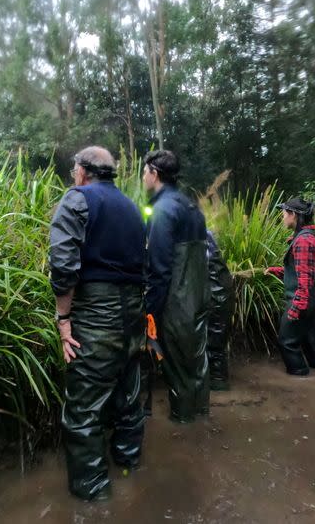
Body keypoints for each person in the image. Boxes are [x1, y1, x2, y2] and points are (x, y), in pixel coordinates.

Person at [49, 146, 146, 501]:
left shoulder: (78, 199)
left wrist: (64, 320)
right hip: (133, 311)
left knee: (84, 409)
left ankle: (94, 498)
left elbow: (63, 265)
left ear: (81, 171)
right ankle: (130, 466)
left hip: (96, 313)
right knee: (128, 395)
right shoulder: (132, 208)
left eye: (74, 168)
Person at [142, 150, 210, 423]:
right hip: (199, 299)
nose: (143, 178)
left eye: (145, 173)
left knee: (178, 368)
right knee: (196, 363)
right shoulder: (192, 207)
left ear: (155, 174)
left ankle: (184, 425)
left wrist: (150, 314)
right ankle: (201, 416)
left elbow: (159, 270)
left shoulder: (162, 210)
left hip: (176, 304)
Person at [264, 197, 315, 376]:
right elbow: (302, 270)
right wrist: (277, 271)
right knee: (310, 340)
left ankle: (300, 377)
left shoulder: (303, 241)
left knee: (287, 341)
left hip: (303, 301)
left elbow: (305, 279)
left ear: (294, 215)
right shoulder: (306, 237)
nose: (282, 217)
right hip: (311, 301)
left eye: (284, 213)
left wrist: (296, 309)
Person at [206, 229, 235, 391]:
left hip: (214, 297)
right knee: (218, 344)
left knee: (213, 343)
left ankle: (217, 383)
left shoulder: (196, 241)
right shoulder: (207, 237)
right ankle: (219, 382)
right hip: (223, 294)